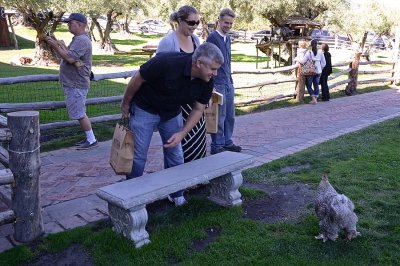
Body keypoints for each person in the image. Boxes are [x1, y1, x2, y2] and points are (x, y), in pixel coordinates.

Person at [121, 43, 223, 206]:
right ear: (199, 63)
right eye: (213, 68)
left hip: (171, 113)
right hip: (145, 109)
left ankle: (176, 194)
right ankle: (132, 198)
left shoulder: (207, 81)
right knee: (139, 157)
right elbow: (138, 78)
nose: (215, 73)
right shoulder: (166, 62)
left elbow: (198, 109)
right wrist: (126, 104)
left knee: (175, 154)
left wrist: (182, 133)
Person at [156, 6, 207, 164]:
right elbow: (158, 71)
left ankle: (198, 179)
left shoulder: (196, 40)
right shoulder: (168, 42)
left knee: (197, 137)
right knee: (178, 142)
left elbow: (202, 66)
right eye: (191, 23)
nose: (195, 26)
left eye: (197, 22)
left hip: (194, 98)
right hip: (176, 101)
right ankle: (180, 182)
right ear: (179, 21)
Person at [46, 13, 98, 150]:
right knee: (79, 112)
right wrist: (58, 44)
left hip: (76, 83)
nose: (68, 25)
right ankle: (89, 137)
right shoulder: (79, 39)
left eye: (71, 23)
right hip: (75, 83)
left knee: (80, 113)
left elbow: (70, 59)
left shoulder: (81, 40)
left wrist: (55, 46)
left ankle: (92, 140)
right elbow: (70, 56)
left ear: (80, 24)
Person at [206, 8, 242, 155]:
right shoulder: (212, 38)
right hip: (217, 82)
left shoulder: (228, 38)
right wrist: (211, 83)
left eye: (230, 23)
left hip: (228, 81)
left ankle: (228, 141)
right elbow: (207, 60)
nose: (228, 25)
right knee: (219, 115)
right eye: (226, 22)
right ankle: (217, 144)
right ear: (219, 21)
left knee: (229, 115)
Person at [300, 39, 326, 104]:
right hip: (318, 71)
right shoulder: (320, 53)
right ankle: (316, 99)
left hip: (310, 71)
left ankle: (313, 98)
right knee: (316, 85)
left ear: (311, 45)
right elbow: (324, 63)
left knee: (308, 85)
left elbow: (303, 61)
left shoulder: (309, 52)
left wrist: (297, 60)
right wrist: (320, 68)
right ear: (316, 45)